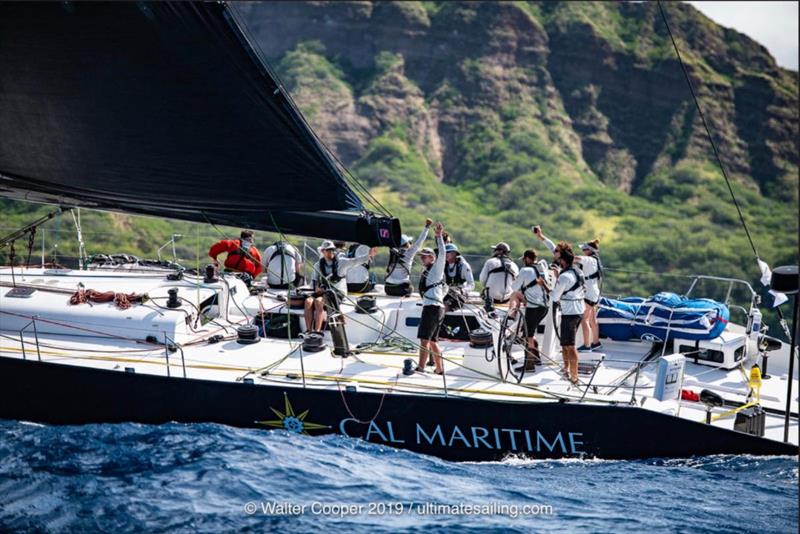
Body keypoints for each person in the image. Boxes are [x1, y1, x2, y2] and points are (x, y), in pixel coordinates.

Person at [304, 240, 377, 332]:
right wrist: (316, 289)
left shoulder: (341, 263)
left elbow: (355, 261)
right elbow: (314, 281)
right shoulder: (318, 265)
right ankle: (308, 330)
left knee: (318, 302)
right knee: (308, 301)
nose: (331, 252)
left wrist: (369, 255)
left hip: (337, 292)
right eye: (328, 250)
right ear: (323, 251)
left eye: (333, 250)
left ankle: (317, 332)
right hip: (323, 292)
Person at [509, 249, 552, 372]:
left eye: (524, 259)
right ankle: (536, 358)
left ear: (527, 258)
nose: (523, 262)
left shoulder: (525, 270)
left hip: (533, 307)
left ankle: (529, 365)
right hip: (544, 307)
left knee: (528, 336)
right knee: (530, 333)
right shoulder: (542, 267)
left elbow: (514, 288)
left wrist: (516, 278)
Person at [550, 243, 585, 385]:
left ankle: (574, 376)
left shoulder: (564, 277)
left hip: (570, 313)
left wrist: (545, 285)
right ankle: (566, 369)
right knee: (565, 343)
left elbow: (554, 297)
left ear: (563, 261)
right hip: (578, 311)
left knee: (570, 345)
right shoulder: (578, 272)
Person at [415, 223, 447, 374]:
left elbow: (443, 254)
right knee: (433, 341)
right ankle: (439, 369)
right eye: (421, 256)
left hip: (432, 308)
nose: (422, 258)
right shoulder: (427, 270)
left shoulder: (436, 268)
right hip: (435, 307)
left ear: (432, 258)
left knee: (424, 339)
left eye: (425, 256)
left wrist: (439, 236)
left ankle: (420, 368)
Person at [384, 218, 432, 297]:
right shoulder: (409, 252)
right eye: (410, 242)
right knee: (411, 288)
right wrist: (427, 226)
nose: (411, 244)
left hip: (388, 289)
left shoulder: (392, 251)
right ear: (407, 244)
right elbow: (420, 240)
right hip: (401, 289)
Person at [575, 240, 603, 351]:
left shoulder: (589, 259)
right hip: (595, 292)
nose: (583, 251)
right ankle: (596, 342)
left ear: (590, 250)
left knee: (584, 319)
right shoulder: (595, 260)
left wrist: (564, 255)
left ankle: (586, 346)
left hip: (588, 293)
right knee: (592, 319)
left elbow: (576, 259)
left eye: (584, 249)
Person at [443, 243, 474, 310]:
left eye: (448, 252)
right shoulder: (443, 265)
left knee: (445, 306)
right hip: (446, 292)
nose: (445, 254)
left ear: (454, 253)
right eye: (444, 252)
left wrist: (462, 291)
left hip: (459, 294)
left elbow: (471, 285)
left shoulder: (464, 266)